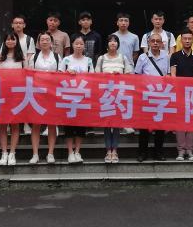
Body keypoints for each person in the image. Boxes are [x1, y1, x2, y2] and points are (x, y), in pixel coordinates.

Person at [94, 35, 131, 163]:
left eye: (115, 41)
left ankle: (114, 150)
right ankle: (107, 150)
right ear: (107, 44)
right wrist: (105, 76)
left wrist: (120, 75)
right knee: (106, 124)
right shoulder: (101, 58)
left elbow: (129, 75)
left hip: (119, 95)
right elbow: (96, 76)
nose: (113, 43)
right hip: (105, 96)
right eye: (110, 41)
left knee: (116, 124)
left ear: (118, 44)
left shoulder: (123, 58)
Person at [134, 33, 171, 161]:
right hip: (146, 96)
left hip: (161, 96)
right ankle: (142, 153)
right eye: (153, 41)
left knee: (160, 127)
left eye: (158, 41)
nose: (155, 43)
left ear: (162, 44)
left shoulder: (166, 56)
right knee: (144, 127)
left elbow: (168, 75)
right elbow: (137, 76)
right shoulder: (142, 57)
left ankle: (158, 152)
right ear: (149, 43)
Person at [170, 31, 193, 160]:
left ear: (192, 40)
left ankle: (190, 150)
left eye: (189, 39)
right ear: (181, 41)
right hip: (179, 94)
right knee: (180, 123)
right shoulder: (175, 56)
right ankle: (180, 150)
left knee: (191, 123)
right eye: (185, 38)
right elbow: (173, 75)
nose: (187, 41)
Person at [61, 35, 95, 163]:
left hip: (83, 98)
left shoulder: (88, 61)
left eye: (81, 44)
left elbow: (93, 78)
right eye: (76, 43)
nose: (79, 46)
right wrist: (67, 73)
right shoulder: (66, 60)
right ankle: (70, 152)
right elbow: (58, 77)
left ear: (84, 46)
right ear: (72, 45)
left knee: (81, 126)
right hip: (68, 98)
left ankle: (77, 151)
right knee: (69, 126)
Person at [28, 32, 60, 164]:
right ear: (38, 43)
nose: (45, 42)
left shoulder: (57, 57)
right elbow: (29, 75)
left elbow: (60, 74)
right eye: (42, 40)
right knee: (36, 124)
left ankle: (50, 153)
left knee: (52, 124)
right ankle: (35, 154)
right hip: (37, 94)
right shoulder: (34, 57)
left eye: (47, 39)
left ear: (51, 42)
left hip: (52, 94)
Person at [0, 32, 25, 165]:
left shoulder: (22, 57)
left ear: (17, 41)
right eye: (8, 39)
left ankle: (12, 153)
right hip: (1, 94)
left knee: (15, 124)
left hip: (17, 95)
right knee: (2, 124)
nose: (10, 42)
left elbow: (27, 75)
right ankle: (4, 153)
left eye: (13, 39)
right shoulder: (0, 57)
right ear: (4, 42)